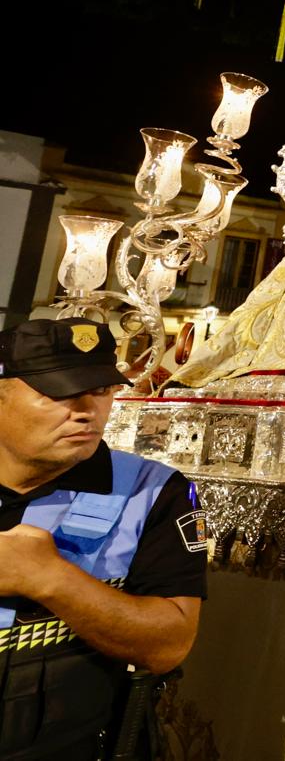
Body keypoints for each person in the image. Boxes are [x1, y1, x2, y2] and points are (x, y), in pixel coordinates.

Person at [0, 318, 208, 760]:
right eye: (58, 391)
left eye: (100, 391)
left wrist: (50, 580)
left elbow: (169, 646)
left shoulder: (153, 492)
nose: (86, 410)